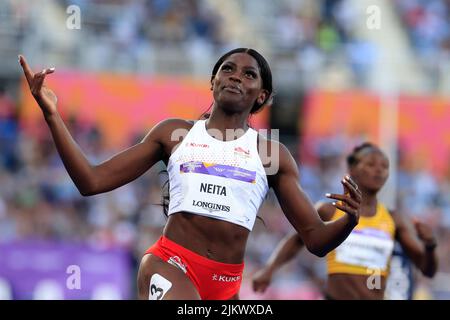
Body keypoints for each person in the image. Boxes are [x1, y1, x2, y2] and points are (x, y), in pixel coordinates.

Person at [18, 48, 362, 300]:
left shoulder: (271, 154)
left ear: (263, 96)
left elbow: (316, 240)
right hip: (170, 263)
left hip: (227, 284)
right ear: (213, 82)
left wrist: (348, 220)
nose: (235, 77)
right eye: (227, 69)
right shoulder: (173, 134)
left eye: (248, 74)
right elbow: (91, 181)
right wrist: (52, 116)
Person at [252, 142, 438, 299]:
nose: (379, 170)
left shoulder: (393, 219)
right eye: (371, 164)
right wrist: (269, 270)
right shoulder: (330, 210)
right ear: (352, 169)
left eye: (384, 166)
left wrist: (430, 245)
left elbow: (427, 269)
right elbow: (295, 241)